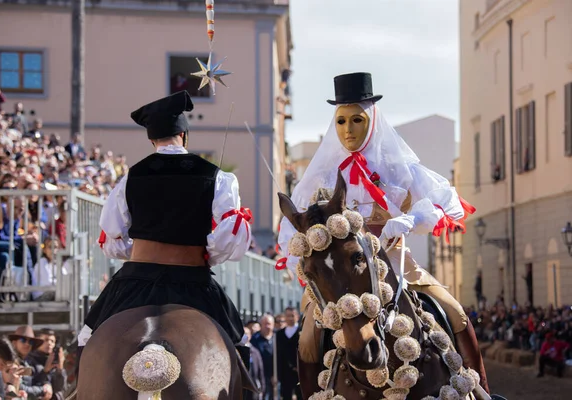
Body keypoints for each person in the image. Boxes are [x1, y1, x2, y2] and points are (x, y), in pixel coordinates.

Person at [277, 72, 488, 392]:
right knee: (308, 335)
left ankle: (481, 389)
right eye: (342, 121)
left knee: (455, 313)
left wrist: (410, 220)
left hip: (398, 261)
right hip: (341, 273)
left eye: (356, 120)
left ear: (372, 120)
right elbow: (290, 225)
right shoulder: (319, 175)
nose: (349, 130)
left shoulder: (400, 166)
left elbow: (448, 201)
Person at [75, 90, 253, 377]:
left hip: (136, 280)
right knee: (239, 344)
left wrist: (142, 249)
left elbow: (112, 241)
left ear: (151, 139)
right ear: (184, 135)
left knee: (87, 339)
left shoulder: (131, 176)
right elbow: (229, 239)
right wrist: (206, 252)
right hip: (192, 280)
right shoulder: (217, 176)